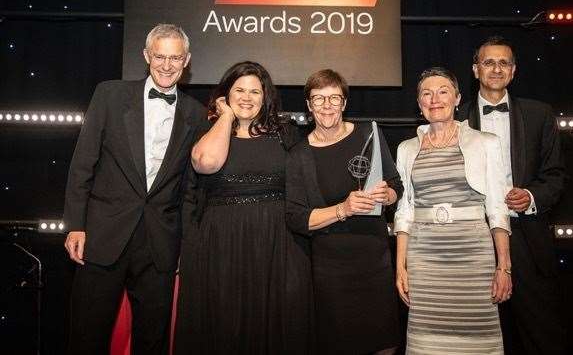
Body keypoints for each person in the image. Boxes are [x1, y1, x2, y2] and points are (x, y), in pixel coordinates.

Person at [63, 24, 207, 354]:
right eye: (159, 56)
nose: (167, 65)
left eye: (175, 58)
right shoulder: (109, 95)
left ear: (186, 60)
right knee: (86, 336)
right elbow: (83, 163)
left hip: (160, 245)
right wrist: (75, 225)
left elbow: (189, 188)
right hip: (102, 236)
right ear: (146, 56)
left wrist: (185, 245)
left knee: (153, 341)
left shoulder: (197, 114)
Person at [174, 61, 312, 354]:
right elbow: (206, 163)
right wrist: (226, 117)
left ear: (266, 98)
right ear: (226, 94)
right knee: (225, 324)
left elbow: (302, 189)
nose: (247, 97)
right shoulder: (208, 127)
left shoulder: (285, 133)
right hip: (221, 243)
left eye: (255, 92)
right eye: (239, 90)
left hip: (277, 244)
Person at [458, 36, 567, 354]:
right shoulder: (456, 119)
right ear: (476, 69)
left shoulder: (539, 114)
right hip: (474, 240)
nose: (496, 69)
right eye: (488, 62)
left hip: (526, 238)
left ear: (514, 71)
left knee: (540, 332)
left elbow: (556, 175)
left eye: (503, 62)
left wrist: (532, 197)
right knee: (477, 336)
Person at [394, 67, 512, 354]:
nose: (435, 99)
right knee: (425, 342)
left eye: (443, 91)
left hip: (473, 257)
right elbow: (404, 211)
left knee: (478, 337)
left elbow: (497, 208)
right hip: (424, 259)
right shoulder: (406, 148)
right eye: (426, 93)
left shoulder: (486, 143)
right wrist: (400, 266)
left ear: (458, 98)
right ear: (419, 103)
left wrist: (503, 266)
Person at [286, 69, 402, 355]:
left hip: (374, 260)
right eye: (319, 98)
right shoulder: (298, 155)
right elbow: (297, 218)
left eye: (334, 98)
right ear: (309, 105)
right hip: (331, 269)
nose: (327, 105)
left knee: (384, 345)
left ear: (345, 103)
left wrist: (388, 196)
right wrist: (343, 209)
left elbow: (396, 184)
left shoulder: (369, 133)